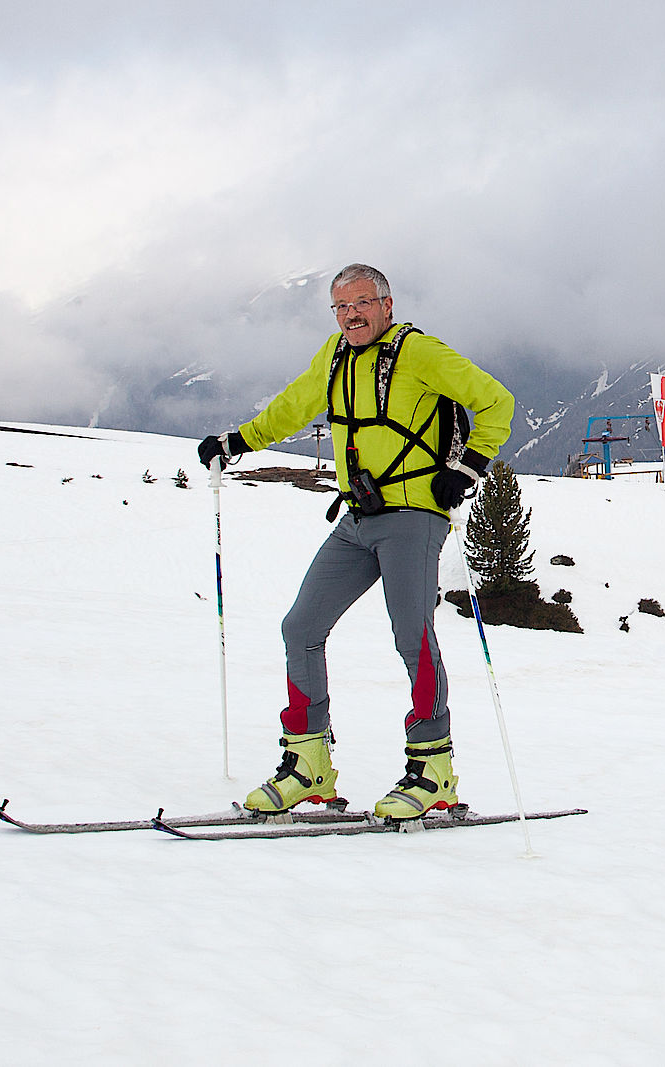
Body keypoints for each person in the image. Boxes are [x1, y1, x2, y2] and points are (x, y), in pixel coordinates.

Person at [197, 263, 514, 819]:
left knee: (411, 636)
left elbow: (496, 402)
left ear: (387, 305)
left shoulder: (421, 353)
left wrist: (468, 469)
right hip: (356, 518)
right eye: (342, 307)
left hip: (414, 515)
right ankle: (308, 763)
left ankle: (432, 769)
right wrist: (237, 441)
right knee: (301, 626)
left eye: (362, 303)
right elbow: (294, 405)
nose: (352, 315)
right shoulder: (335, 354)